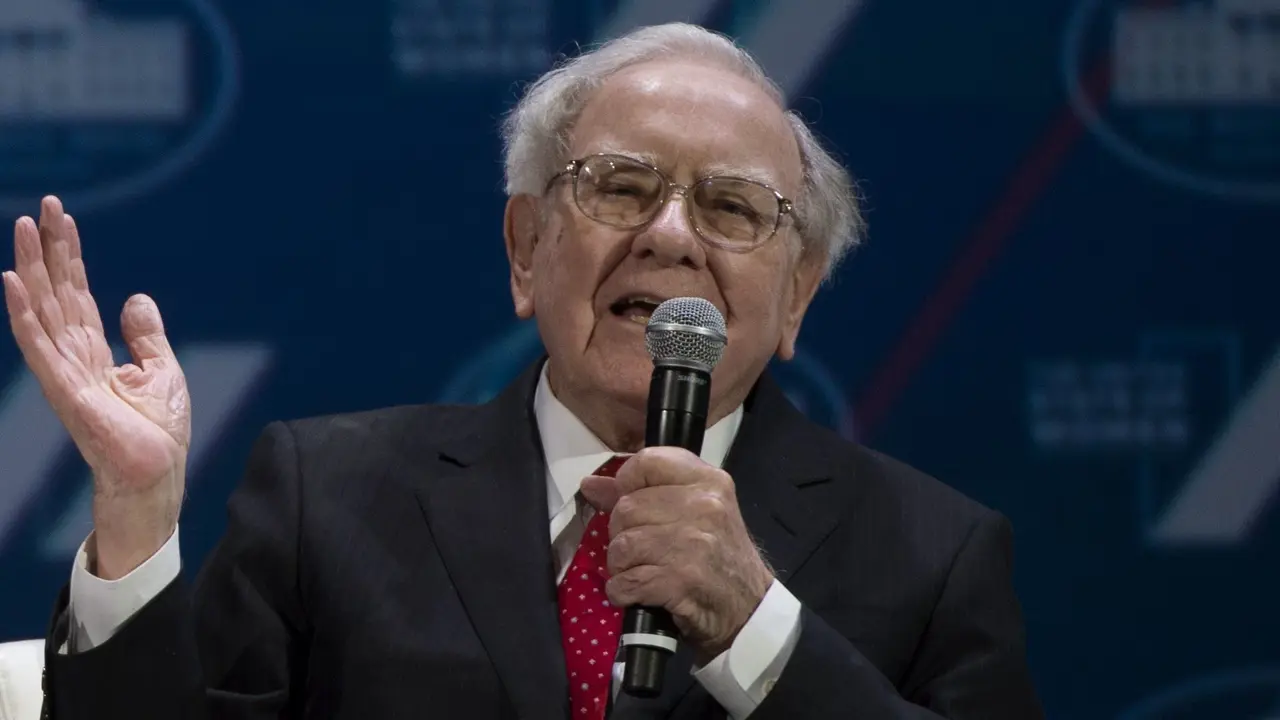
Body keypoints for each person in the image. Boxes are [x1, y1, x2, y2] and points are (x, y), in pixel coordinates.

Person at [3, 22, 1043, 720]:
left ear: (799, 293)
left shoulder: (934, 555)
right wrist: (136, 518)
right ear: (523, 248)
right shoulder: (327, 498)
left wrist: (755, 627)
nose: (672, 237)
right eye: (622, 187)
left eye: (730, 210)